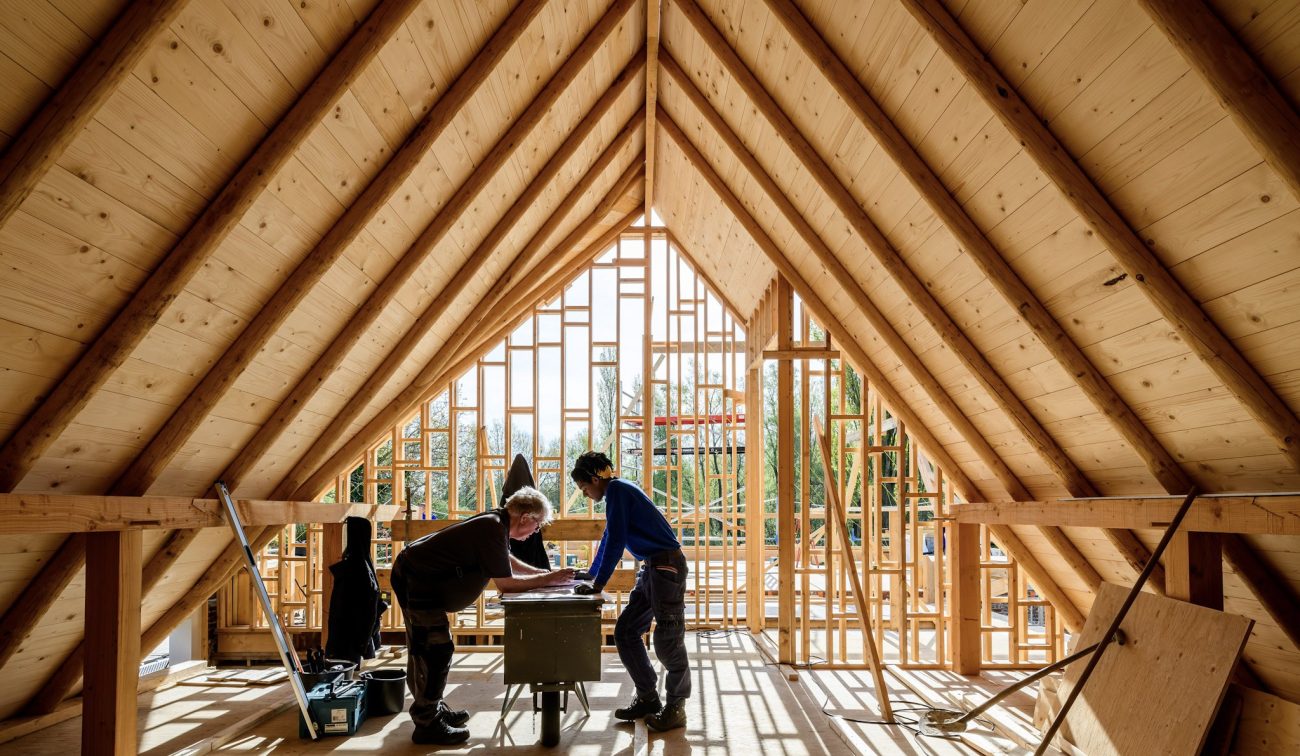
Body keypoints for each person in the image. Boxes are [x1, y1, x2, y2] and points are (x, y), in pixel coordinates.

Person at [391, 487, 574, 745]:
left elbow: (505, 560)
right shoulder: (491, 527)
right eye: (537, 524)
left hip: (421, 578)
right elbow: (506, 584)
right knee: (434, 649)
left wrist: (546, 575)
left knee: (434, 648)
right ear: (525, 517)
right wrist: (548, 578)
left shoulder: (496, 524)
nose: (536, 530)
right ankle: (427, 723)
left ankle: (432, 708)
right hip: (417, 581)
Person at [571, 452, 690, 732]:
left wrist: (598, 583)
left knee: (668, 638)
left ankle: (676, 707)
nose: (586, 495)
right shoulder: (616, 494)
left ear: (594, 479)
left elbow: (616, 540)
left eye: (584, 489)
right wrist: (591, 573)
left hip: (666, 566)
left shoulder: (619, 491)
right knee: (625, 631)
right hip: (653, 567)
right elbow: (609, 536)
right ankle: (648, 698)